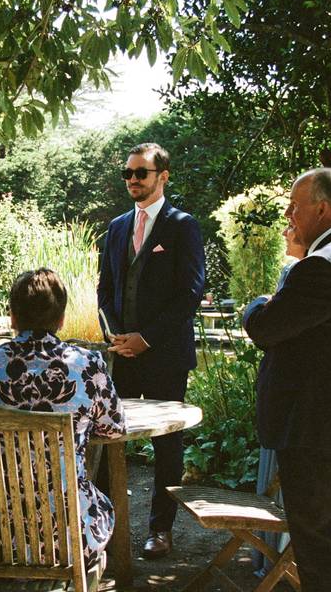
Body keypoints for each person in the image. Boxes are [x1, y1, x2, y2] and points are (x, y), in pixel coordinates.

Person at [243, 168, 331, 591]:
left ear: (322, 209)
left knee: (319, 543)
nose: (288, 214)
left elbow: (266, 328)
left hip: (319, 424)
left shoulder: (323, 265)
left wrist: (256, 305)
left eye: (295, 205)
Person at [0, 268, 127, 569]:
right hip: (67, 541)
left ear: (12, 316)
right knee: (99, 502)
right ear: (61, 319)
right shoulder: (88, 365)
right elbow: (114, 429)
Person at [96, 142, 205, 558]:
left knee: (167, 447)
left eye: (140, 173)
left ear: (163, 176)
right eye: (128, 174)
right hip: (121, 354)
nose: (133, 180)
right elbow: (105, 289)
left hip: (165, 355)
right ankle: (105, 528)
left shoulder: (182, 226)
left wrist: (148, 339)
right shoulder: (118, 226)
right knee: (107, 439)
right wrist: (116, 337)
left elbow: (191, 292)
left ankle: (161, 530)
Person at [251, 224, 305, 576]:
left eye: (292, 225)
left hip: (291, 401)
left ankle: (279, 562)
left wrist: (256, 306)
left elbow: (265, 325)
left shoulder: (298, 272)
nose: (286, 231)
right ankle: (278, 560)